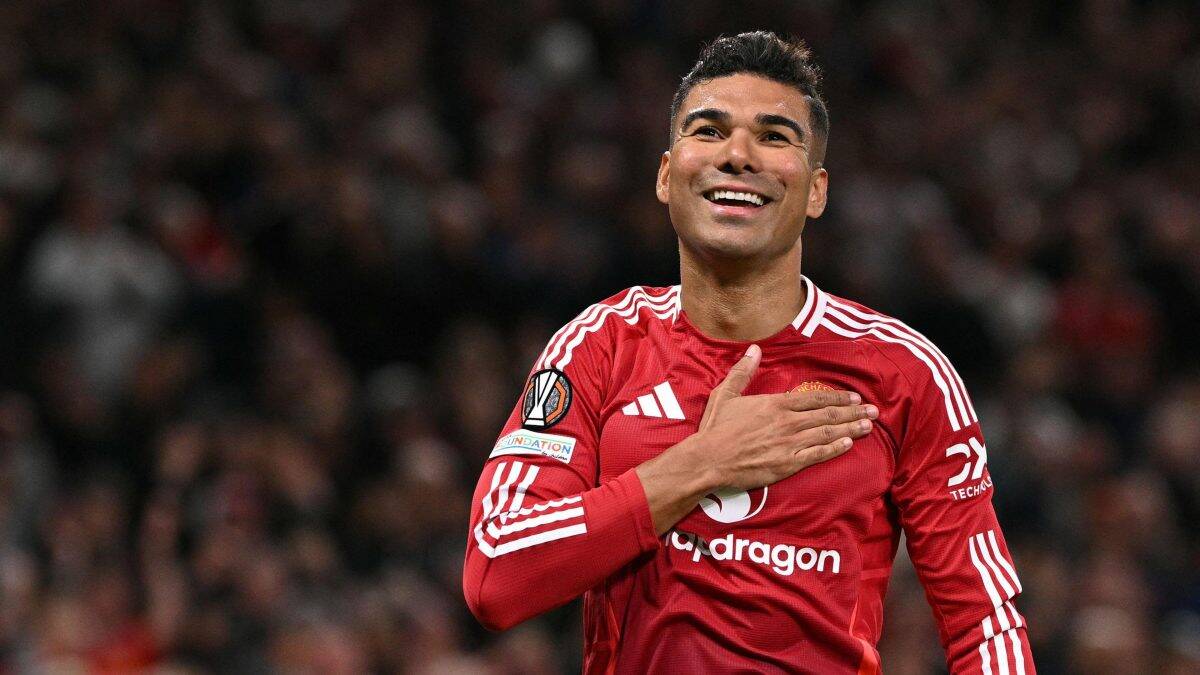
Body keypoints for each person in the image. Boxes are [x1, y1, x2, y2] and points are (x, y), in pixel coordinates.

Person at [463, 31, 1034, 674]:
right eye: (709, 130)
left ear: (816, 191)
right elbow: (497, 574)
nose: (737, 156)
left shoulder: (903, 371)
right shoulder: (600, 345)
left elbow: (985, 624)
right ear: (665, 176)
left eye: (773, 136)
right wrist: (705, 462)